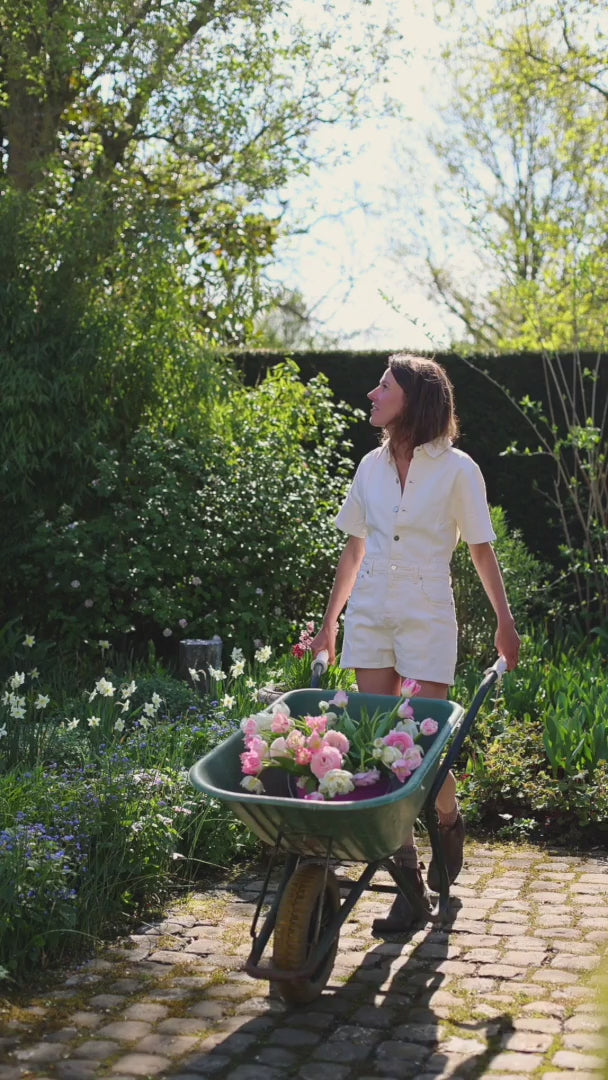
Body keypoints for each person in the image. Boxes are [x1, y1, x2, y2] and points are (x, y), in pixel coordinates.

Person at [310, 353, 521, 933]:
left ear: (414, 399)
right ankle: (407, 886)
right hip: (373, 612)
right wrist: (331, 621)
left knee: (422, 744)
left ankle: (447, 823)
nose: (373, 393)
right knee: (380, 744)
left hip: (428, 613)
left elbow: (480, 547)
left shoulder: (458, 470)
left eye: (385, 385)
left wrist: (505, 622)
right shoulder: (369, 468)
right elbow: (353, 549)